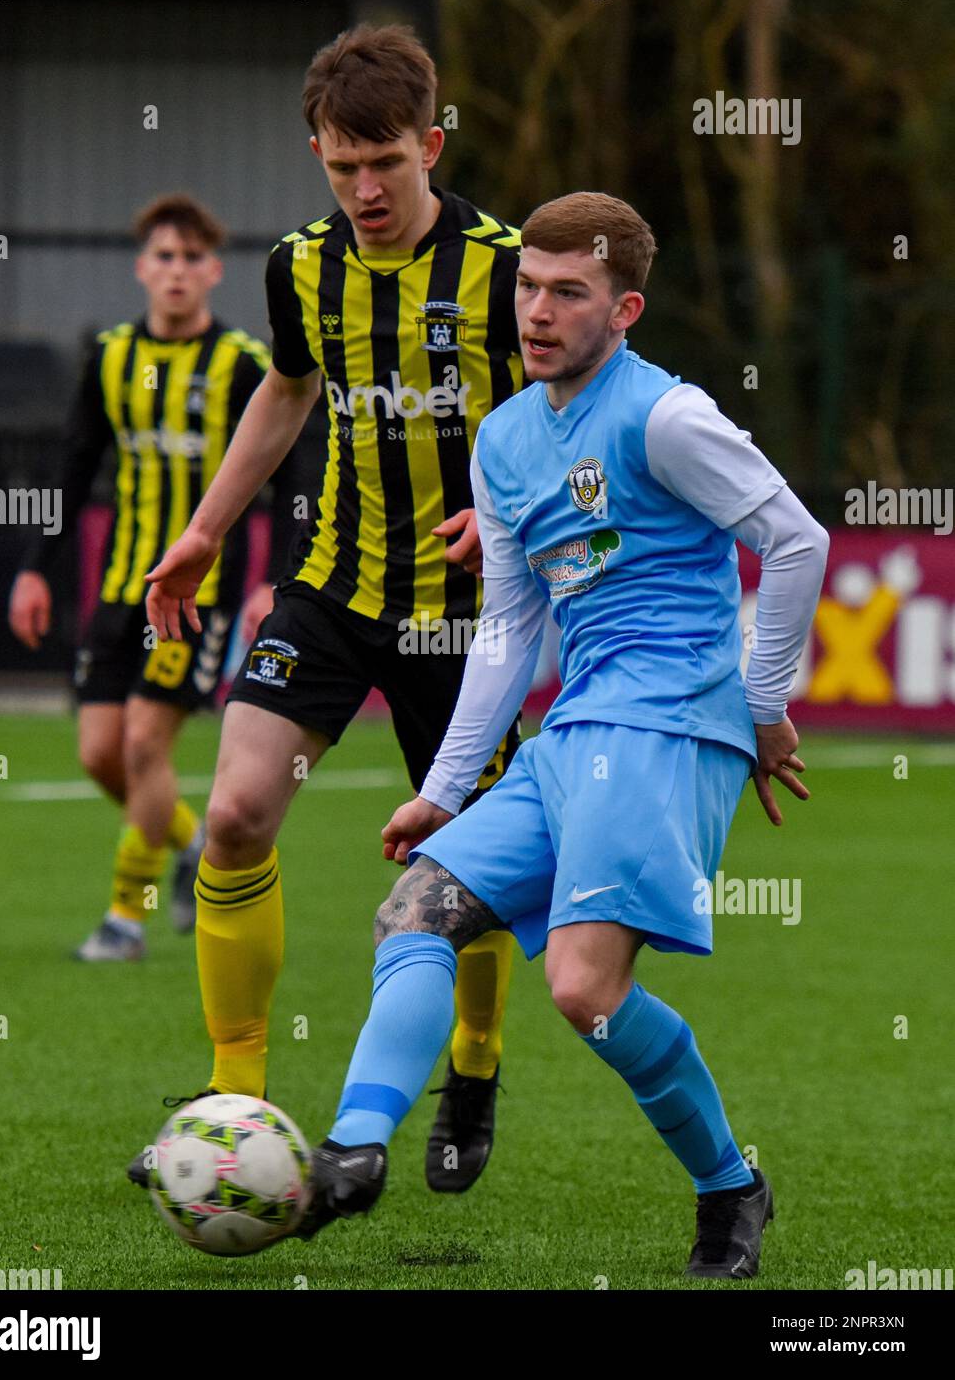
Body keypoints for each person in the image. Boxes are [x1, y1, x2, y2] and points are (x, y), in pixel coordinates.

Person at [293, 191, 830, 1280]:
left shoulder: (664, 418)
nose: (536, 311)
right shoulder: (501, 441)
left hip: (671, 726)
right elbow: (509, 625)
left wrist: (764, 702)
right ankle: (352, 1149)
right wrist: (444, 789)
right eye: (525, 288)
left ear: (622, 308)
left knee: (582, 989)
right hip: (572, 726)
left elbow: (796, 540)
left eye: (566, 293)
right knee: (416, 907)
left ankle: (731, 1189)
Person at [136, 24, 530, 1191]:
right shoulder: (297, 265)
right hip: (331, 587)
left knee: (467, 868)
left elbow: (573, 411)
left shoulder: (509, 269)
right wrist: (206, 530)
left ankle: (473, 1064)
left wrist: (510, 521)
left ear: (433, 145)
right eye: (341, 165)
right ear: (317, 151)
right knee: (237, 814)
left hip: (467, 614)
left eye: (386, 165)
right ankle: (234, 1101)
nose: (363, 189)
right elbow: (288, 388)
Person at [9, 194, 277, 961]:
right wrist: (34, 572)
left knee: (142, 746)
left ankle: (126, 919)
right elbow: (72, 469)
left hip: (195, 596)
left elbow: (294, 474)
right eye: (164, 256)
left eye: (193, 258)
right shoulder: (112, 356)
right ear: (141, 269)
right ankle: (189, 844)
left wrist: (273, 582)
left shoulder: (244, 365)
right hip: (120, 586)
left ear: (214, 272)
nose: (177, 271)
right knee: (98, 753)